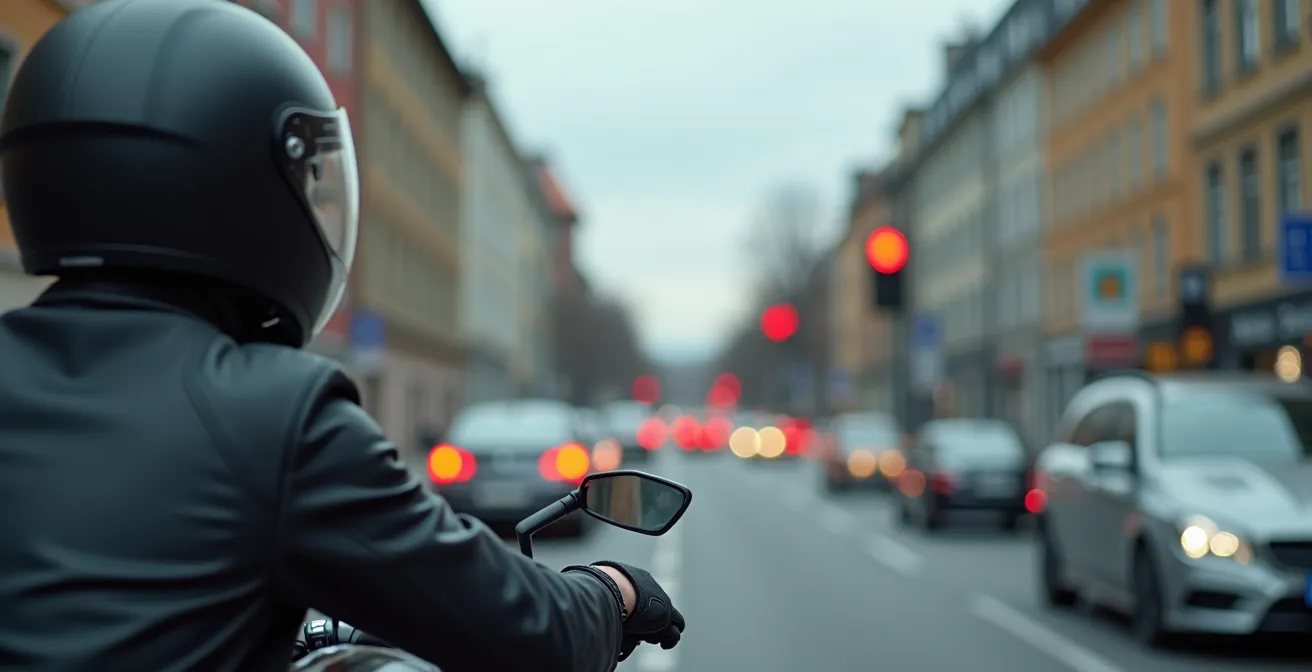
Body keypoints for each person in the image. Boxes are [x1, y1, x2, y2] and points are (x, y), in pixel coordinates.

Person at [0, 2, 683, 671]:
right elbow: (525, 631)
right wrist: (613, 591)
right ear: (245, 191)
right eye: (306, 181)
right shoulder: (272, 417)